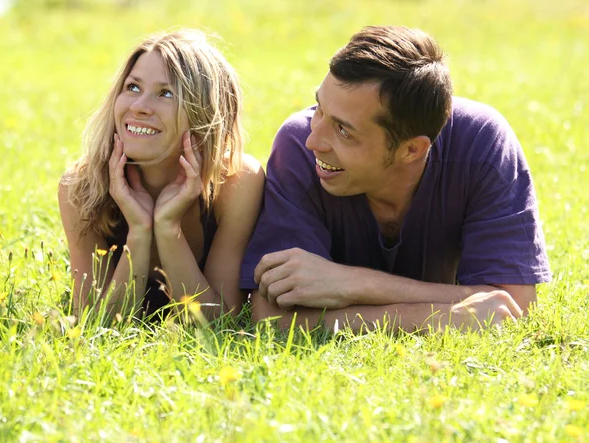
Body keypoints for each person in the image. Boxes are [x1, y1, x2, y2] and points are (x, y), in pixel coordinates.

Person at [240, 25, 551, 332]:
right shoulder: (298, 145)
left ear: (412, 150)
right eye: (320, 109)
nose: (314, 141)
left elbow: (513, 306)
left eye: (344, 130)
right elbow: (271, 315)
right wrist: (444, 317)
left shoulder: (482, 143)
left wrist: (351, 283)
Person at [59, 30, 264, 320]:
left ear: (203, 113)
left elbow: (219, 323)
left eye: (165, 93)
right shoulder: (79, 187)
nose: (139, 107)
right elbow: (95, 325)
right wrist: (140, 232)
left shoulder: (237, 180)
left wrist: (168, 228)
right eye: (132, 87)